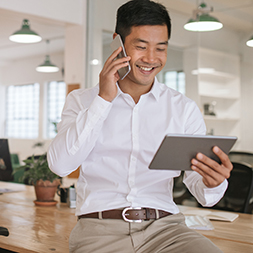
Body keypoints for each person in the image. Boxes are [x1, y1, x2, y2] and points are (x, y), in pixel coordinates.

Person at [47, 0, 232, 252]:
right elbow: (61, 165)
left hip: (167, 231)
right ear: (118, 43)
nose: (151, 59)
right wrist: (103, 99)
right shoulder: (82, 101)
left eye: (160, 48)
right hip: (100, 231)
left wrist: (213, 183)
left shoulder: (182, 108)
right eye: (141, 46)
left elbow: (202, 193)